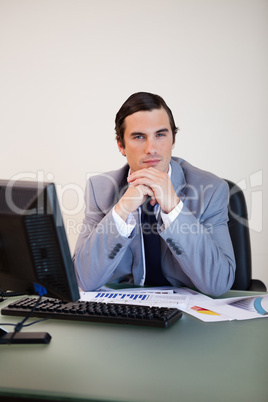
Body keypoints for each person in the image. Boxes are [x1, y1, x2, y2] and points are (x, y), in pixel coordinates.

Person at [73, 92, 236, 297]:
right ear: (121, 145)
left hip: (188, 315)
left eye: (160, 135)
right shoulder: (100, 189)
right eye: (139, 137)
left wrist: (174, 208)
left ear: (173, 140)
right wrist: (121, 210)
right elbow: (83, 279)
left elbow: (219, 282)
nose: (151, 149)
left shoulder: (211, 190)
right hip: (125, 314)